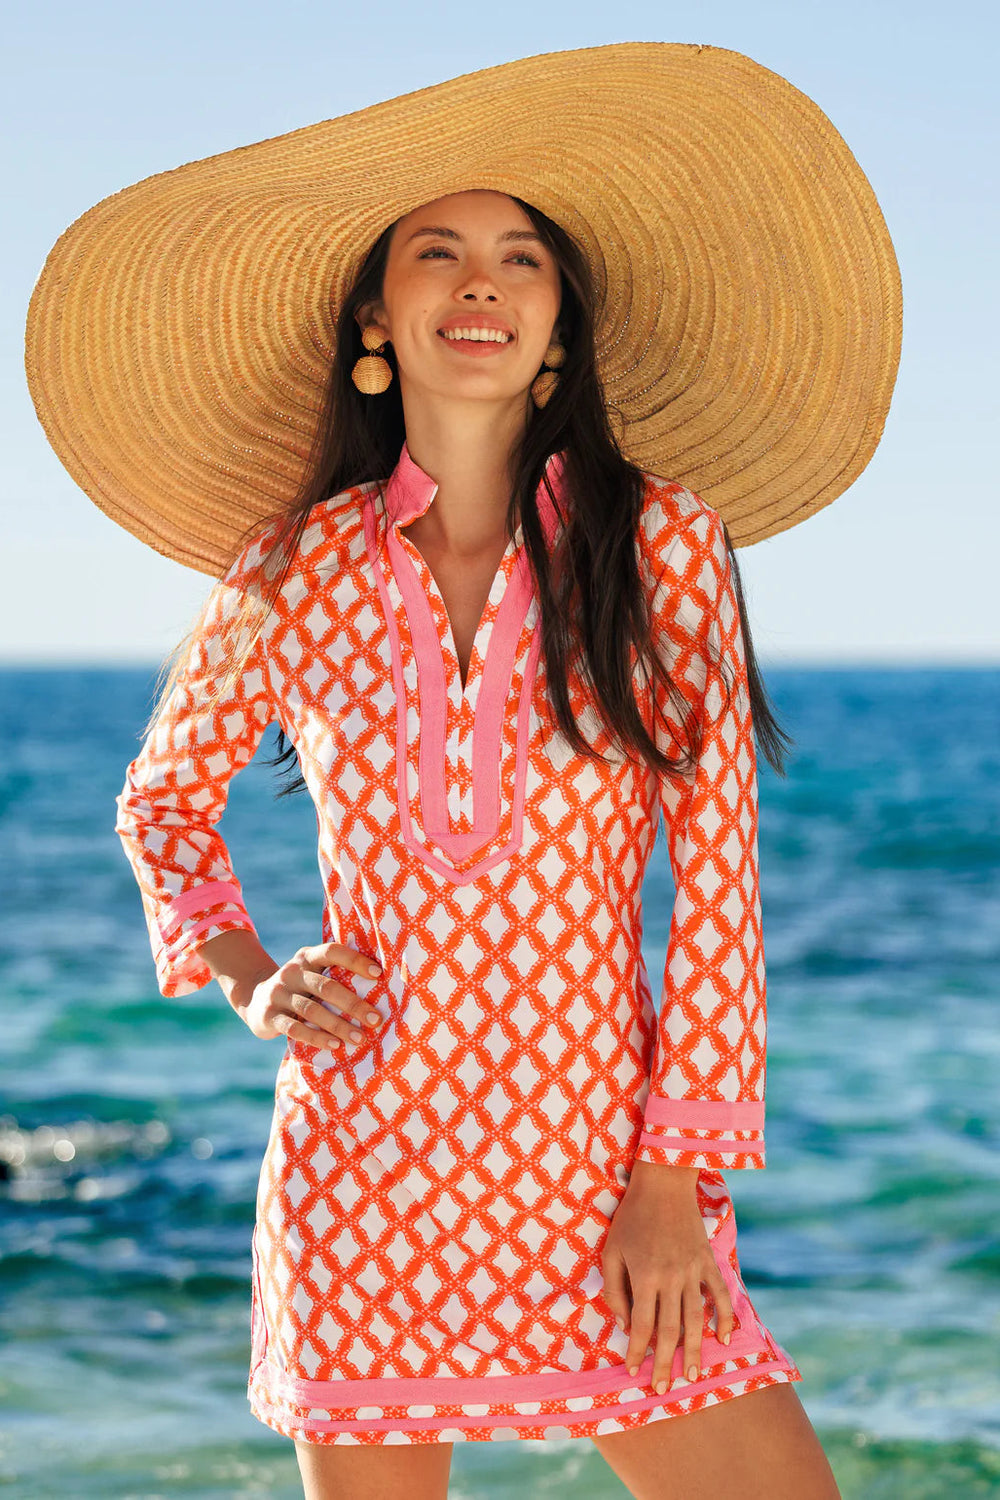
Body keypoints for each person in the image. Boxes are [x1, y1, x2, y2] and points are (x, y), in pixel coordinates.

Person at [24, 44, 901, 1500]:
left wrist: (674, 1179)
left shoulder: (661, 541)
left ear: (559, 321)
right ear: (378, 312)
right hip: (361, 1178)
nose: (481, 286)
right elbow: (163, 802)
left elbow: (722, 883)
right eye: (439, 253)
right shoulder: (295, 565)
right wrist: (250, 975)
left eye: (521, 260)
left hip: (608, 1175)